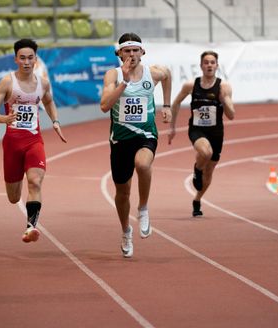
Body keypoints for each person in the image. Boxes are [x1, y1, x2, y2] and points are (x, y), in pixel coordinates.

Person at [0, 38, 67, 243]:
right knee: (13, 198)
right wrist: (4, 119)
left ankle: (31, 227)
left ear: (36, 59)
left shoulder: (43, 83)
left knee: (35, 181)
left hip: (34, 141)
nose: (27, 62)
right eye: (22, 58)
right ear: (16, 59)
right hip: (12, 143)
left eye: (30, 58)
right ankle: (25, 211)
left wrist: (55, 121)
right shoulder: (7, 82)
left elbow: (49, 102)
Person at [100, 32, 172, 258]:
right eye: (127, 51)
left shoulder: (154, 73)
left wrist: (167, 105)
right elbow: (104, 105)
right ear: (119, 53)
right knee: (122, 192)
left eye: (135, 50)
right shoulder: (113, 74)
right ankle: (125, 231)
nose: (131, 54)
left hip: (145, 135)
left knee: (143, 165)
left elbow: (168, 76)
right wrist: (124, 82)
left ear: (143, 52)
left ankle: (143, 208)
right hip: (120, 140)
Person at [168, 51, 235, 217]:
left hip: (216, 132)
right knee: (206, 152)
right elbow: (176, 103)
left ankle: (197, 199)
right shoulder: (191, 85)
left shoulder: (224, 87)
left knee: (210, 171)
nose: (209, 65)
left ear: (217, 66)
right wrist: (172, 127)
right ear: (201, 66)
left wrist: (224, 99)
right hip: (197, 129)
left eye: (212, 62)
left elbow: (231, 115)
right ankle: (197, 169)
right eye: (206, 62)